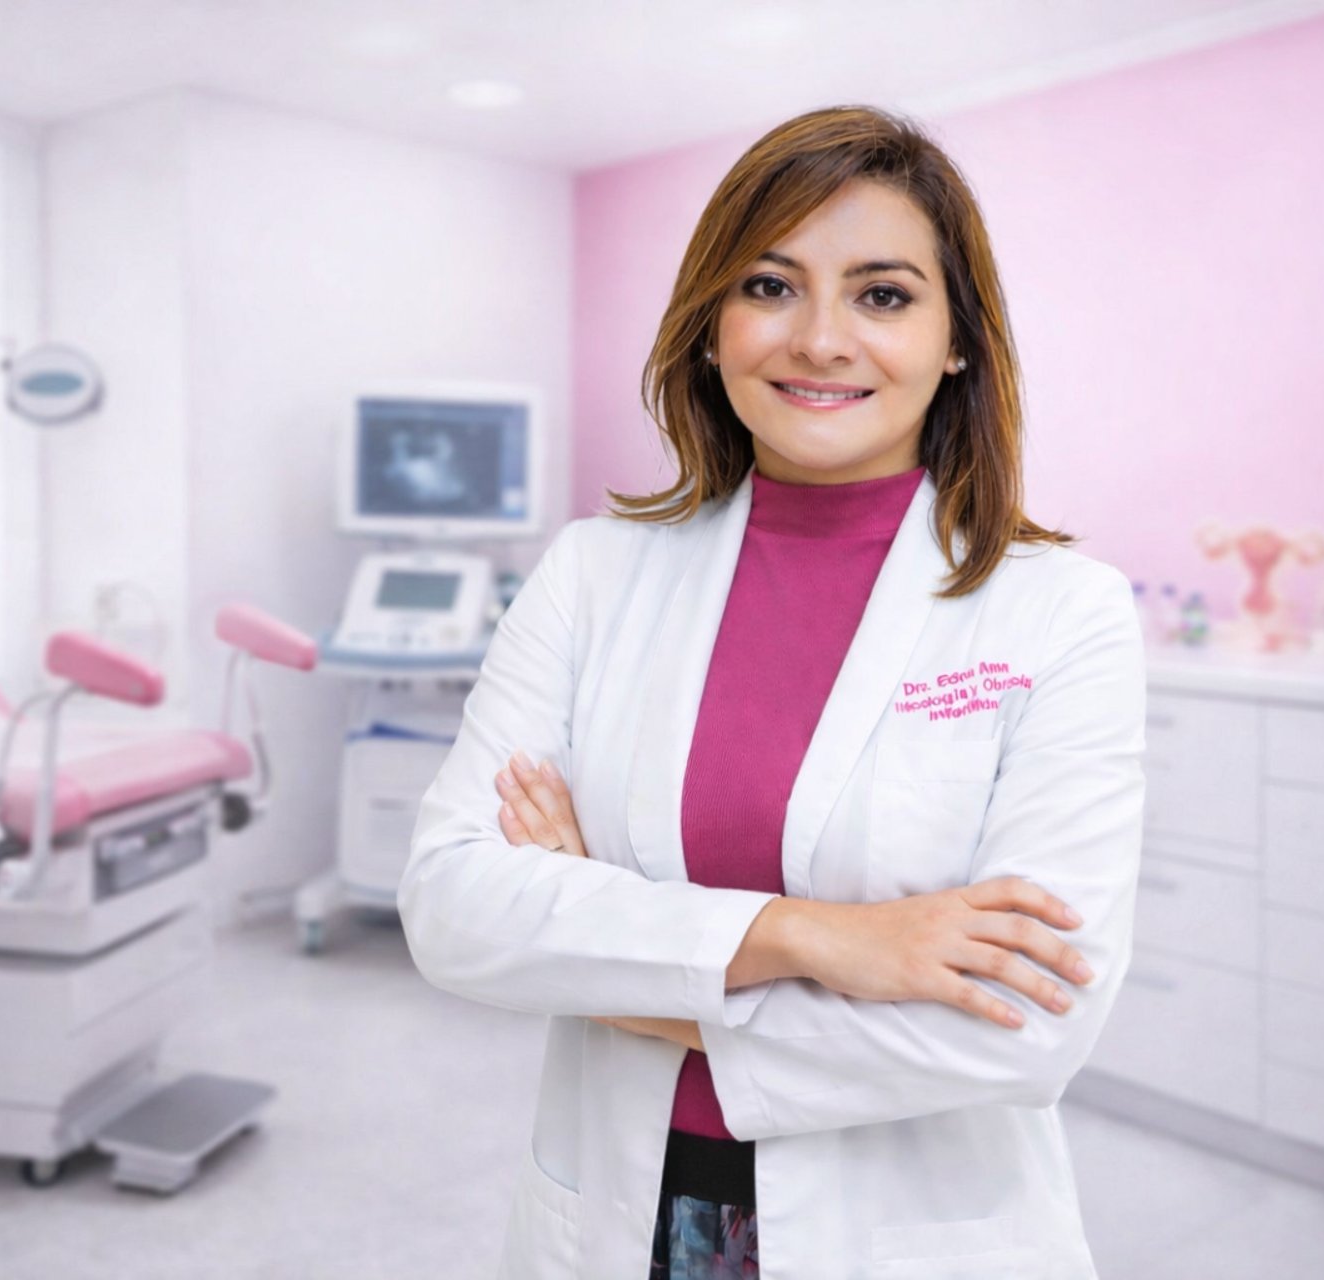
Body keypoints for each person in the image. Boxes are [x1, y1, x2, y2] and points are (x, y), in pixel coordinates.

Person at [399, 104, 1147, 1280]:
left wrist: (616, 951)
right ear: (711, 327)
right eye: (769, 285)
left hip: (907, 1225)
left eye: (884, 294)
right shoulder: (594, 573)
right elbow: (452, 905)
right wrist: (820, 937)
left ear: (958, 340)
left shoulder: (1063, 608)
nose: (821, 338)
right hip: (627, 1209)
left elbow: (1030, 1021)